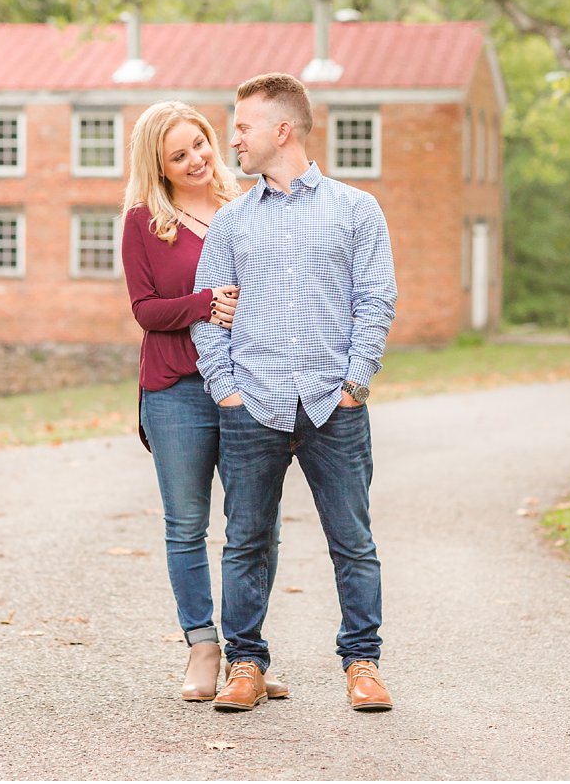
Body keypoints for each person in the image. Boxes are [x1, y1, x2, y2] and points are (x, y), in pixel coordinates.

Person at [192, 72, 397, 713]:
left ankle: (362, 664)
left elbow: (376, 300)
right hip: (252, 404)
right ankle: (245, 665)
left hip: (330, 405)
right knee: (247, 540)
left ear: (282, 130)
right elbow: (209, 313)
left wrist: (354, 384)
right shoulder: (231, 221)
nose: (233, 138)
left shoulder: (355, 209)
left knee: (353, 540)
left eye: (243, 125)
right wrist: (225, 389)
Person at [120, 101, 286, 703]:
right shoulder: (144, 221)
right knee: (187, 524)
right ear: (158, 166)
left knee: (254, 524)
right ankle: (202, 646)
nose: (195, 160)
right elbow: (144, 310)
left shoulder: (246, 207)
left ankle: (247, 655)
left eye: (200, 145)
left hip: (247, 387)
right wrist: (204, 301)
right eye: (178, 154)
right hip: (177, 391)